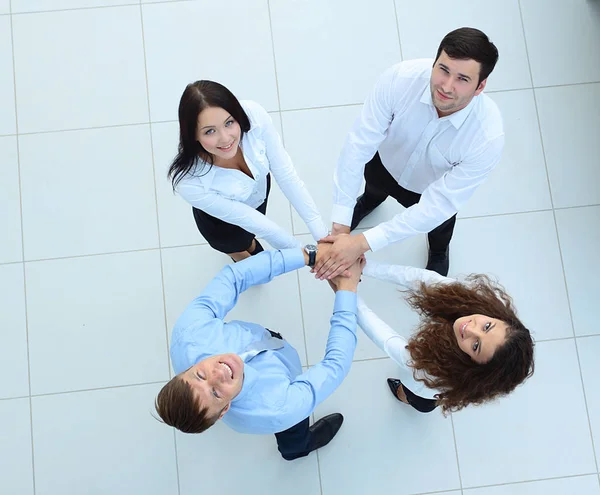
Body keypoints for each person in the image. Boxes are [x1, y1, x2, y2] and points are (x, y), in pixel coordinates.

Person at [315, 27, 503, 279]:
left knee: (439, 226)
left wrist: (362, 243)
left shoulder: (487, 137)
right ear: (435, 62)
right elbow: (358, 146)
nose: (446, 86)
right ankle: (369, 202)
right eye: (443, 70)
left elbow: (438, 205)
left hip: (429, 189)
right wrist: (340, 225)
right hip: (385, 163)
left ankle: (438, 251)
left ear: (480, 86)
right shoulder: (400, 80)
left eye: (462, 79)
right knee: (373, 190)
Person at [154, 244, 364, 461]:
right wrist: (347, 290)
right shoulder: (278, 408)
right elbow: (336, 364)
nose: (219, 373)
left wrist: (310, 255)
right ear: (225, 409)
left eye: (200, 374)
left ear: (186, 370)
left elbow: (234, 278)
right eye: (216, 392)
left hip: (265, 340)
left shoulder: (189, 334)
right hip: (279, 407)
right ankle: (296, 449)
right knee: (292, 426)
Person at [169, 80, 328, 261]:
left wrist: (323, 239)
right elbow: (255, 222)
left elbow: (287, 176)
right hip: (222, 224)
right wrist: (313, 258)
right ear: (193, 134)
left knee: (251, 234)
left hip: (255, 198)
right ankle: (244, 250)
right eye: (209, 131)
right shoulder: (189, 182)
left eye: (229, 123)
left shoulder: (253, 116)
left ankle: (250, 243)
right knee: (239, 246)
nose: (226, 138)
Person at [348, 260, 534, 413]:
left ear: (471, 364)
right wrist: (365, 266)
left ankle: (405, 397)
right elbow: (424, 280)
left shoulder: (430, 372)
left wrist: (348, 292)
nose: (470, 329)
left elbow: (387, 340)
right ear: (500, 317)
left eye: (476, 346)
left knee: (418, 398)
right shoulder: (475, 300)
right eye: (487, 326)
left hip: (425, 388)